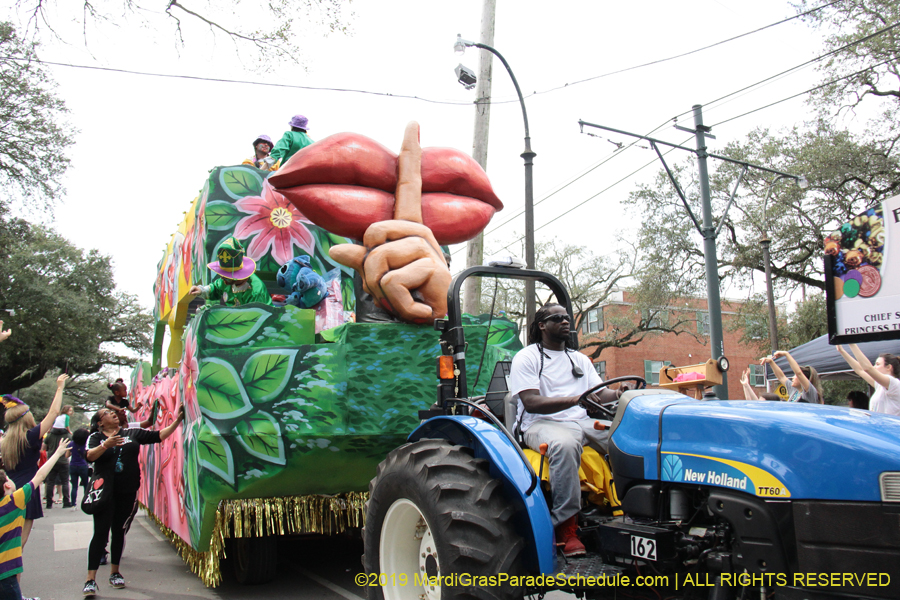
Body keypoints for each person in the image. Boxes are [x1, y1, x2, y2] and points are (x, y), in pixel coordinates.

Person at [508, 303, 609, 558]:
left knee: (626, 437)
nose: (566, 322)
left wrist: (622, 392)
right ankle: (566, 527)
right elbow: (531, 402)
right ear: (542, 325)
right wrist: (575, 400)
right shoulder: (528, 357)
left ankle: (628, 509)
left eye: (567, 318)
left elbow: (600, 393)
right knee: (564, 445)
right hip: (540, 424)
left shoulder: (579, 359)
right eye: (558, 318)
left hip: (582, 422)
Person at [82, 405, 185, 596]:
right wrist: (106, 444)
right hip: (104, 492)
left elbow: (158, 435)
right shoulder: (96, 438)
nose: (112, 414)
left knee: (119, 531)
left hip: (127, 491)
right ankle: (90, 579)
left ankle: (115, 572)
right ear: (100, 423)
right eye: (106, 413)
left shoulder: (132, 433)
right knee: (100, 533)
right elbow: (89, 456)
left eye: (112, 412)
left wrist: (178, 421)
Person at [0, 374, 69, 548]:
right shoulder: (30, 437)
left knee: (6, 543)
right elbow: (53, 413)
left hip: (6, 489)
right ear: (26, 418)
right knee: (19, 545)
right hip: (28, 488)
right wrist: (60, 387)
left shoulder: (3, 441)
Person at [0, 442, 68, 600]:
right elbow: (40, 476)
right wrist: (57, 453)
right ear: (7, 485)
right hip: (7, 574)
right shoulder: (15, 501)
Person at [187, 236, 273, 307]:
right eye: (222, 275)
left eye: (227, 277)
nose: (223, 280)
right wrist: (201, 290)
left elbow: (257, 318)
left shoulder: (256, 291)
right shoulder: (225, 282)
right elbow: (216, 288)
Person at [836, 345, 900, 415]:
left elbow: (868, 368)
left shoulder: (894, 383)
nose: (874, 367)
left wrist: (852, 344)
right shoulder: (880, 386)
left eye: (877, 364)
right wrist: (842, 351)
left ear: (888, 367)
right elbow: (860, 370)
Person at [41, 423, 71, 508]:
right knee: (65, 482)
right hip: (63, 461)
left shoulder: (50, 435)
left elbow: (44, 447)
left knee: (50, 482)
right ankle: (66, 501)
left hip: (51, 461)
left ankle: (49, 503)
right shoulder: (67, 435)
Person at [68, 428, 90, 507]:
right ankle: (86, 501)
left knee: (74, 486)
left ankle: (73, 503)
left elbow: (67, 455)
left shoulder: (71, 444)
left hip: (73, 465)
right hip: (83, 466)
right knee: (86, 485)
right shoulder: (86, 444)